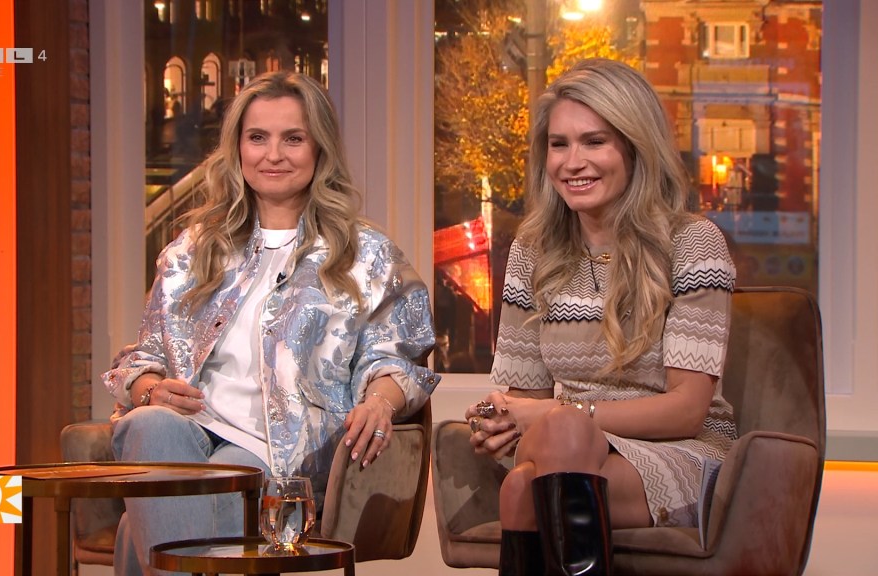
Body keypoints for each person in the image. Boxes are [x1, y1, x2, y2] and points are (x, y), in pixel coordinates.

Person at [102, 70, 439, 575]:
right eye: (257, 137)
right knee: (146, 425)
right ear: (237, 148)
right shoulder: (193, 251)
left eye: (293, 138)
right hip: (187, 431)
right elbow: (142, 358)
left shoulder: (365, 255)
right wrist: (150, 389)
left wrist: (379, 402)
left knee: (161, 514)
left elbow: (397, 358)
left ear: (319, 148)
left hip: (283, 456)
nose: (273, 154)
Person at [466, 58, 737, 575]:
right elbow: (526, 400)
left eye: (595, 142)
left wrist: (563, 415)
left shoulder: (693, 243)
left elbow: (687, 411)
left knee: (526, 486)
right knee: (544, 456)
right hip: (561, 445)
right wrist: (499, 421)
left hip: (678, 449)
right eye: (559, 144)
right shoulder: (532, 251)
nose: (573, 162)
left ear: (635, 148)